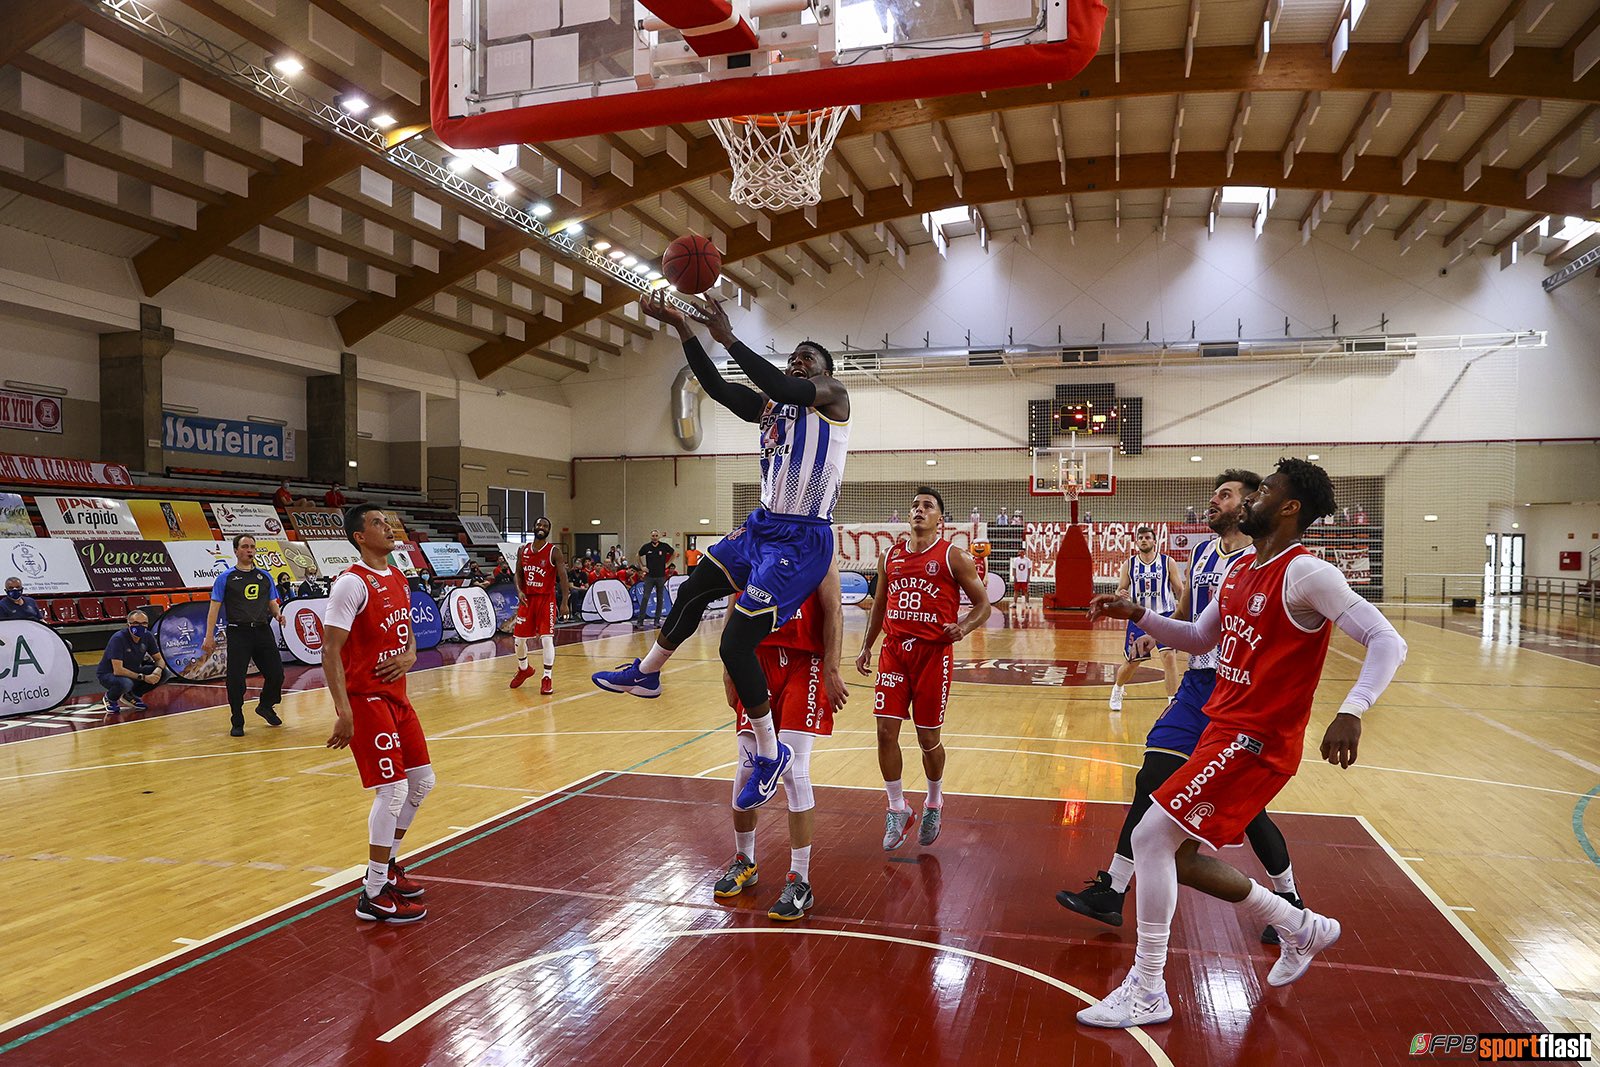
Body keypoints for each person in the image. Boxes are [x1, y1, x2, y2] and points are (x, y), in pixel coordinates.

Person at [1076, 458, 1407, 1029]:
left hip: (1259, 738)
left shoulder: (1307, 574)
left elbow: (1386, 639)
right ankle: (1299, 926)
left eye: (1265, 491)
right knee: (1173, 854)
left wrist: (1352, 710)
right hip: (1220, 726)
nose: (1250, 500)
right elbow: (1198, 637)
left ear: (1288, 507)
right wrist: (1140, 614)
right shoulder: (1237, 570)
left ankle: (1149, 987)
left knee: (1151, 836)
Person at [595, 291, 851, 814]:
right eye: (795, 355)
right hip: (761, 525)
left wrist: (728, 336)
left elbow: (781, 382)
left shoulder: (832, 396)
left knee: (735, 645)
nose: (798, 361)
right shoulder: (770, 409)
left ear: (824, 372)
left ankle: (769, 751)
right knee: (694, 587)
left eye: (809, 357)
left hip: (802, 536)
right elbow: (712, 385)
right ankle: (647, 673)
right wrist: (682, 330)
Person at [1058, 469, 1308, 945]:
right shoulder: (1202, 552)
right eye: (1213, 494)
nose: (1212, 501)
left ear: (1252, 504)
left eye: (1225, 494)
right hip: (1198, 684)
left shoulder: (1270, 563)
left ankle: (1289, 900)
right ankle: (1112, 889)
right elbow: (1192, 616)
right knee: (1149, 778)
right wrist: (1153, 632)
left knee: (1251, 812)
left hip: (1239, 694)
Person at [855, 488, 990, 850]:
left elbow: (983, 606)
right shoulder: (891, 556)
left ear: (939, 520)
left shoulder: (954, 557)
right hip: (895, 652)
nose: (918, 510)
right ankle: (897, 808)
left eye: (927, 507)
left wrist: (963, 626)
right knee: (885, 732)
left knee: (928, 739)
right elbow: (879, 605)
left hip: (933, 655)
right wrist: (867, 646)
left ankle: (933, 801)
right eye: (914, 506)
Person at [715, 561, 847, 921]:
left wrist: (833, 668)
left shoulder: (820, 548)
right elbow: (732, 607)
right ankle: (745, 859)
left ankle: (799, 879)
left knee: (793, 770)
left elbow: (834, 609)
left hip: (806, 663)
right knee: (745, 769)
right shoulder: (753, 548)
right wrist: (728, 669)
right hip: (755, 659)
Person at [323, 503, 434, 924]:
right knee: (392, 792)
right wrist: (343, 710)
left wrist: (409, 656)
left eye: (388, 521)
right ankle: (371, 893)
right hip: (366, 699)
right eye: (377, 523)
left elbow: (407, 640)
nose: (387, 528)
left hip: (397, 695)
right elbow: (329, 650)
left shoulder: (400, 577)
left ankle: (386, 865)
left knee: (422, 781)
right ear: (359, 536)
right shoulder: (351, 584)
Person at [202, 534, 286, 737]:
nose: (250, 550)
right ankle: (237, 719)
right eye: (246, 547)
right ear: (236, 551)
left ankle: (266, 705)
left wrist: (277, 613)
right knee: (236, 678)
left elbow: (270, 600)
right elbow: (214, 608)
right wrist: (209, 636)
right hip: (238, 632)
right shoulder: (226, 578)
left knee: (277, 674)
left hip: (262, 630)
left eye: (253, 547)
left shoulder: (264, 576)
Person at [1108, 526, 1185, 711]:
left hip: (1165, 615)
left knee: (1168, 657)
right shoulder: (1129, 564)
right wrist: (1121, 593)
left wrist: (1184, 612)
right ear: (1136, 542)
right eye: (1140, 537)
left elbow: (1180, 589)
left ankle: (1172, 703)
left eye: (1147, 537)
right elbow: (1120, 589)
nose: (1144, 540)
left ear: (1154, 540)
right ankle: (1118, 688)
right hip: (1140, 617)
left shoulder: (1167, 562)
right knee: (1133, 661)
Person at [510, 516, 569, 694]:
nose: (541, 527)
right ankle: (524, 669)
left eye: (545, 525)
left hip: (546, 599)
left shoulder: (554, 552)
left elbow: (563, 578)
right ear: (534, 527)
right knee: (518, 640)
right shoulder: (523, 550)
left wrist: (565, 602)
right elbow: (518, 574)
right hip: (527, 599)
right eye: (539, 524)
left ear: (549, 530)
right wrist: (519, 591)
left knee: (546, 638)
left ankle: (547, 677)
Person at [97, 610, 167, 712]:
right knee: (126, 683)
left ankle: (131, 695)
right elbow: (118, 670)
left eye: (144, 623)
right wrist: (144, 677)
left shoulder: (147, 636)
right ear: (128, 624)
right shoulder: (118, 638)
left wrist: (158, 670)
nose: (140, 626)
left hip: (133, 670)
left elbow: (159, 659)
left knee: (165, 673)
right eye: (136, 623)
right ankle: (110, 698)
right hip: (110, 674)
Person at [636, 530, 675, 625]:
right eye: (653, 535)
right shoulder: (646, 547)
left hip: (661, 576)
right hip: (649, 577)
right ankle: (640, 620)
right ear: (651, 537)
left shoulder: (664, 546)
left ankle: (657, 620)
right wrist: (642, 566)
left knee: (660, 598)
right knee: (645, 598)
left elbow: (674, 553)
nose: (655, 537)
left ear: (659, 537)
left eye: (656, 535)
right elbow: (638, 555)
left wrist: (668, 564)